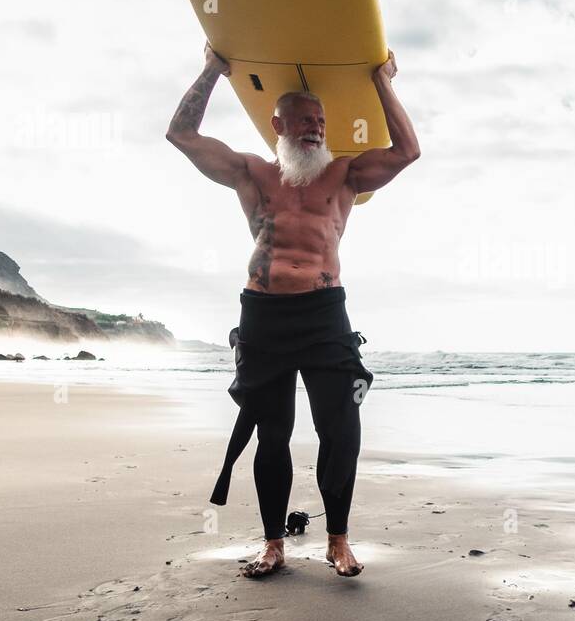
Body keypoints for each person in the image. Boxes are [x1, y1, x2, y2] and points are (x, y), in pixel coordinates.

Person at [166, 43, 419, 578]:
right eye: (304, 120)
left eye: (321, 121)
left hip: (325, 314)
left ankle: (338, 540)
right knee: (271, 430)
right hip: (264, 315)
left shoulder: (345, 176)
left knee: (341, 428)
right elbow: (181, 136)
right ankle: (274, 543)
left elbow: (406, 152)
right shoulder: (252, 172)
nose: (315, 128)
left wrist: (383, 80)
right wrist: (212, 70)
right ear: (277, 123)